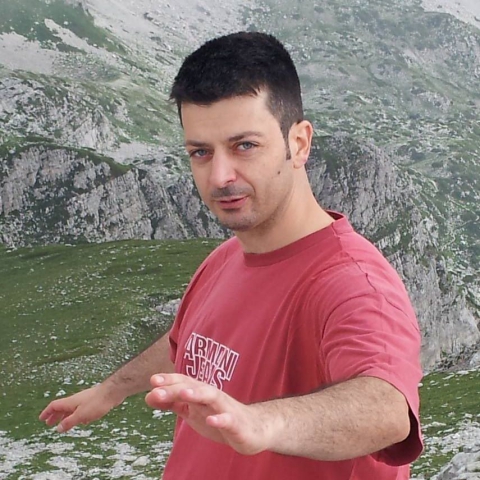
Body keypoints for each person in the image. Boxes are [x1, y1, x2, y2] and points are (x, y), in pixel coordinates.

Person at [40, 31, 423, 479]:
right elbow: (186, 344)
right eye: (201, 152)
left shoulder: (352, 282)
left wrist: (261, 423)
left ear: (299, 143)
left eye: (244, 146)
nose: (220, 176)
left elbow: (386, 408)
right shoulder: (223, 260)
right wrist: (112, 389)